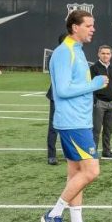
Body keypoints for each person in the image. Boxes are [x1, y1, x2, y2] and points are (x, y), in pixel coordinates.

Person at [40, 9, 110, 222]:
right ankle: (54, 214)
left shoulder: (77, 51)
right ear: (74, 27)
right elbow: (62, 90)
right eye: (89, 25)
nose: (93, 29)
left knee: (76, 174)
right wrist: (95, 84)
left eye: (93, 25)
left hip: (79, 120)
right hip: (72, 123)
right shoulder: (63, 53)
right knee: (91, 171)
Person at [89, 45, 112, 160]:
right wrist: (94, 101)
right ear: (98, 54)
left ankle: (106, 151)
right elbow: (90, 86)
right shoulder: (94, 68)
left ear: (111, 55)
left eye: (108, 53)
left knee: (108, 129)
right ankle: (93, 153)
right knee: (96, 129)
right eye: (103, 53)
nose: (105, 55)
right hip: (99, 103)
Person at [45, 34, 67, 166]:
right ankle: (51, 155)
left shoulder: (74, 54)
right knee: (54, 126)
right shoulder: (54, 56)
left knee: (69, 125)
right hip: (57, 96)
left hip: (70, 96)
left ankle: (68, 153)